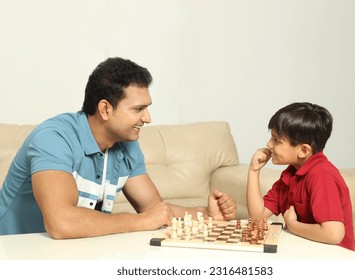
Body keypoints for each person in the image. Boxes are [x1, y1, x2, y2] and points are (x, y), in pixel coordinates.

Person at [0, 57, 236, 238]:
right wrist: (142, 222)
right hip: (16, 255)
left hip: (75, 255)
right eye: (138, 109)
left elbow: (155, 210)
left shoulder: (126, 145)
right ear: (105, 109)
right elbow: (61, 223)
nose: (148, 118)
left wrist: (206, 214)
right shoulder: (53, 138)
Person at [246, 102, 354, 250]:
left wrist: (292, 225)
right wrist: (253, 171)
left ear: (303, 150)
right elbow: (258, 217)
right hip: (303, 253)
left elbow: (333, 234)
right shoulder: (291, 174)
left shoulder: (322, 175)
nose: (269, 144)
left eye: (276, 140)